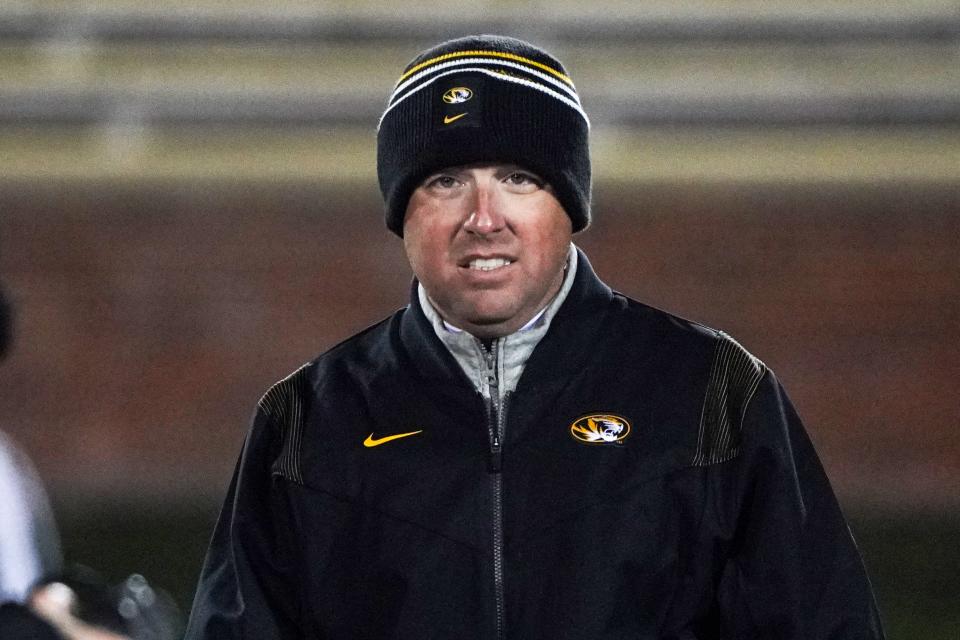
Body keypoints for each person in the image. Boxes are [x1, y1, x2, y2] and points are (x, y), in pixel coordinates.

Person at [184, 35, 885, 639]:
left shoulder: (712, 392)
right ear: (401, 212)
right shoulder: (308, 419)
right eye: (445, 181)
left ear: (568, 204)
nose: (484, 218)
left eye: (519, 178)